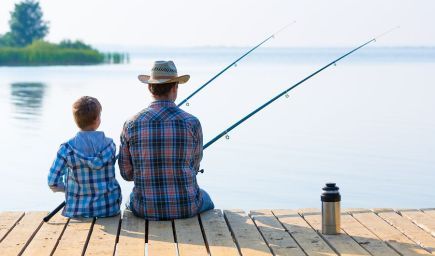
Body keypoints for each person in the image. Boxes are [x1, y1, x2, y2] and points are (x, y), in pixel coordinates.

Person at [119, 60, 214, 220]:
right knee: (207, 199)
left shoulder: (130, 124)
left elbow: (126, 174)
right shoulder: (192, 123)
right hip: (186, 207)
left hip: (145, 209)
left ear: (149, 87)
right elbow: (194, 166)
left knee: (130, 200)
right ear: (175, 87)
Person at [47, 96, 121, 218]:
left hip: (76, 211)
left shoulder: (66, 149)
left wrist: (69, 190)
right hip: (109, 209)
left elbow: (52, 182)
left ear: (75, 120)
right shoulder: (111, 146)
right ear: (97, 119)